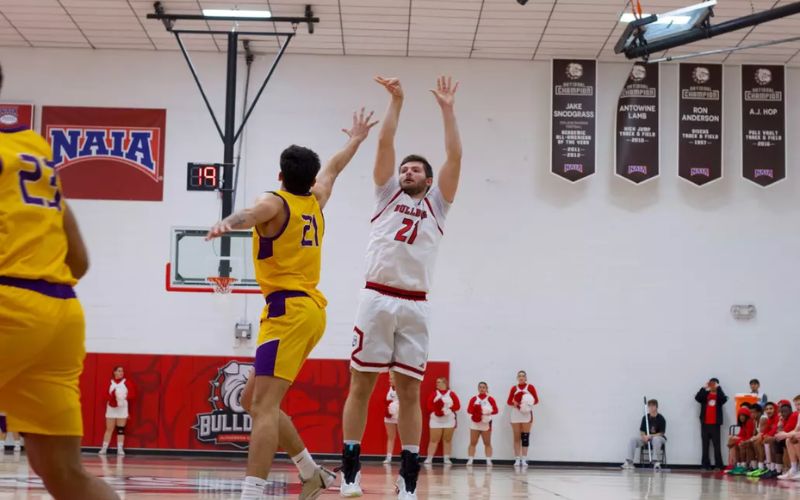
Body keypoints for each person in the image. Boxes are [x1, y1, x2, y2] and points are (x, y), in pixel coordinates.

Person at [207, 108, 377, 500]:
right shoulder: (317, 199)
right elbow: (334, 168)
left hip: (288, 311)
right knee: (253, 400)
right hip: (308, 311)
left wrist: (226, 223)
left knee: (263, 406)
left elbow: (252, 213)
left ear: (280, 175)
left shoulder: (276, 201)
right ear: (309, 179)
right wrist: (356, 139)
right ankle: (310, 471)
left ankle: (251, 493)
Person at [339, 75, 462, 500]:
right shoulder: (385, 194)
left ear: (428, 180)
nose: (407, 171)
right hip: (376, 296)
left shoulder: (438, 205)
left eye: (416, 169)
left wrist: (447, 109)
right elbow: (385, 144)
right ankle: (350, 473)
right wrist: (397, 100)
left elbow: (454, 155)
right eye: (405, 168)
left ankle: (409, 479)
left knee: (410, 390)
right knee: (361, 384)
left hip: (415, 303)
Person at [0, 63, 119, 499]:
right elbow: (79, 260)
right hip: (61, 315)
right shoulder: (33, 148)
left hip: (8, 305)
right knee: (66, 476)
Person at [99, 366, 135, 456]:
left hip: (122, 408)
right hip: (111, 407)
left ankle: (120, 449)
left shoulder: (127, 382)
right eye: (119, 371)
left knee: (120, 429)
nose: (121, 373)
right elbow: (104, 394)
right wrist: (113, 398)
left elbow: (132, 394)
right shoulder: (110, 382)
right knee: (109, 428)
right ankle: (104, 448)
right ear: (114, 372)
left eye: (122, 371)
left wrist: (122, 398)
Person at [424, 377, 460, 465]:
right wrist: (438, 411)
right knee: (433, 440)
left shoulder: (451, 394)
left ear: (445, 383)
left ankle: (446, 459)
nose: (437, 384)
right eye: (436, 382)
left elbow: (457, 406)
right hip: (436, 420)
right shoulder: (434, 394)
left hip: (449, 420)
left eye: (439, 382)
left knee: (447, 440)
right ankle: (429, 458)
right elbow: (429, 405)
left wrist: (448, 409)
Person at [621, 399, 666, 469]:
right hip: (646, 439)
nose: (651, 408)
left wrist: (650, 436)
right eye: (649, 406)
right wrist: (644, 436)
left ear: (656, 407)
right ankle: (629, 462)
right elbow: (642, 431)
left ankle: (656, 462)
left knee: (656, 439)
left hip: (658, 438)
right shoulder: (645, 418)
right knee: (633, 439)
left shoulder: (661, 418)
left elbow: (661, 433)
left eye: (653, 406)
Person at [507, 370, 539, 468]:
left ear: (526, 378)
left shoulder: (530, 387)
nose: (521, 377)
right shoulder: (514, 388)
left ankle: (524, 459)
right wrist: (516, 403)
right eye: (519, 376)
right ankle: (517, 459)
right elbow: (509, 401)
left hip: (526, 414)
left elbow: (536, 400)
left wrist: (526, 403)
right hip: (516, 414)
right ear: (517, 378)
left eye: (523, 376)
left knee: (525, 437)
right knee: (516, 437)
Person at [695, 377, 728, 470]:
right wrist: (704, 387)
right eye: (711, 383)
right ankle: (705, 465)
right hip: (705, 423)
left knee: (717, 445)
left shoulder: (719, 395)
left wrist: (719, 388)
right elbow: (697, 398)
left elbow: (724, 400)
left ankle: (718, 465)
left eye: (714, 384)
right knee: (705, 445)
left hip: (715, 424)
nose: (712, 385)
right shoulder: (706, 394)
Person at [466, 382, 498, 466]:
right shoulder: (474, 399)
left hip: (486, 423)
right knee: (473, 442)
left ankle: (488, 460)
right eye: (480, 387)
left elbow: (496, 410)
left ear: (486, 389)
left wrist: (486, 411)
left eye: (484, 387)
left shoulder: (490, 399)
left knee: (487, 443)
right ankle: (470, 459)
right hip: (475, 423)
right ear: (478, 388)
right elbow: (469, 410)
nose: (482, 389)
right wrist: (477, 410)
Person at [749, 402, 779, 478]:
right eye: (767, 409)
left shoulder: (764, 418)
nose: (768, 411)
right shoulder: (759, 420)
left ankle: (768, 468)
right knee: (756, 442)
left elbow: (768, 431)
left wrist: (762, 437)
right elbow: (764, 432)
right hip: (771, 437)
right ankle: (759, 466)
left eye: (771, 408)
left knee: (759, 442)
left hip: (777, 438)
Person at [725, 406, 755, 475]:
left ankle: (743, 465)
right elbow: (740, 434)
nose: (741, 417)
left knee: (740, 444)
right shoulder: (743, 424)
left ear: (747, 416)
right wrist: (734, 438)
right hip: (746, 440)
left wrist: (736, 440)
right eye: (740, 415)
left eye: (743, 415)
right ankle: (738, 465)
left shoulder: (749, 422)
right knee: (734, 442)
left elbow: (749, 437)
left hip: (750, 440)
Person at [776, 396, 800, 480]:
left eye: (799, 404)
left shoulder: (794, 415)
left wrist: (785, 434)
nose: (798, 407)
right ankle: (794, 468)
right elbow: (796, 430)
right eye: (796, 405)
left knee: (795, 439)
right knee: (788, 440)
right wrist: (785, 434)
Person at [383, 372, 400, 464]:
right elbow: (386, 402)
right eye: (389, 378)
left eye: (391, 378)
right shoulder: (390, 389)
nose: (389, 380)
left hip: (400, 416)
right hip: (389, 416)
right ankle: (388, 457)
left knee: (404, 437)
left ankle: (406, 456)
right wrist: (388, 410)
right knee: (391, 437)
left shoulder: (402, 389)